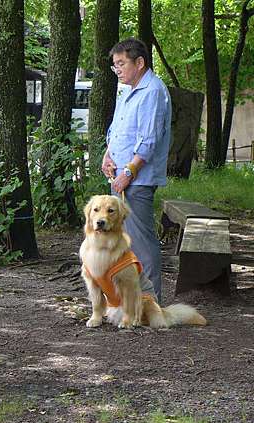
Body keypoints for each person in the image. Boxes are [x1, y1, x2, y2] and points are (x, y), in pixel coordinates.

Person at [101, 37, 172, 302]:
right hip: (119, 176)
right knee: (123, 240)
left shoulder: (153, 91)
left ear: (139, 63)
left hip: (135, 180)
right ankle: (128, 299)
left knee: (141, 240)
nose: (117, 69)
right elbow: (117, 130)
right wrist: (108, 155)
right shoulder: (127, 90)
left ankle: (151, 302)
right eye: (114, 65)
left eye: (121, 63)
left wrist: (128, 172)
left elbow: (148, 140)